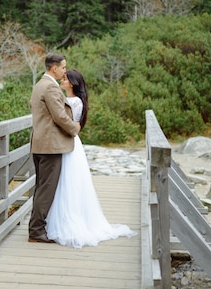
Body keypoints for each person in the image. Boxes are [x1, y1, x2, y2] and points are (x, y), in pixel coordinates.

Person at [46, 69, 137, 248]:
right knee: (65, 182)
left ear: (71, 83)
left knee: (69, 182)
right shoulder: (70, 100)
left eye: (64, 79)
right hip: (68, 142)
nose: (61, 81)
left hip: (70, 144)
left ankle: (70, 221)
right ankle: (61, 218)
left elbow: (71, 125)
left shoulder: (75, 102)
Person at [28, 53, 81, 243]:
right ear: (54, 68)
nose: (65, 70)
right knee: (47, 188)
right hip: (50, 146)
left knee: (41, 187)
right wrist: (74, 129)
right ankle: (36, 231)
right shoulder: (50, 87)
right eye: (63, 67)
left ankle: (36, 227)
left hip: (39, 143)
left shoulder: (39, 85)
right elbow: (59, 116)